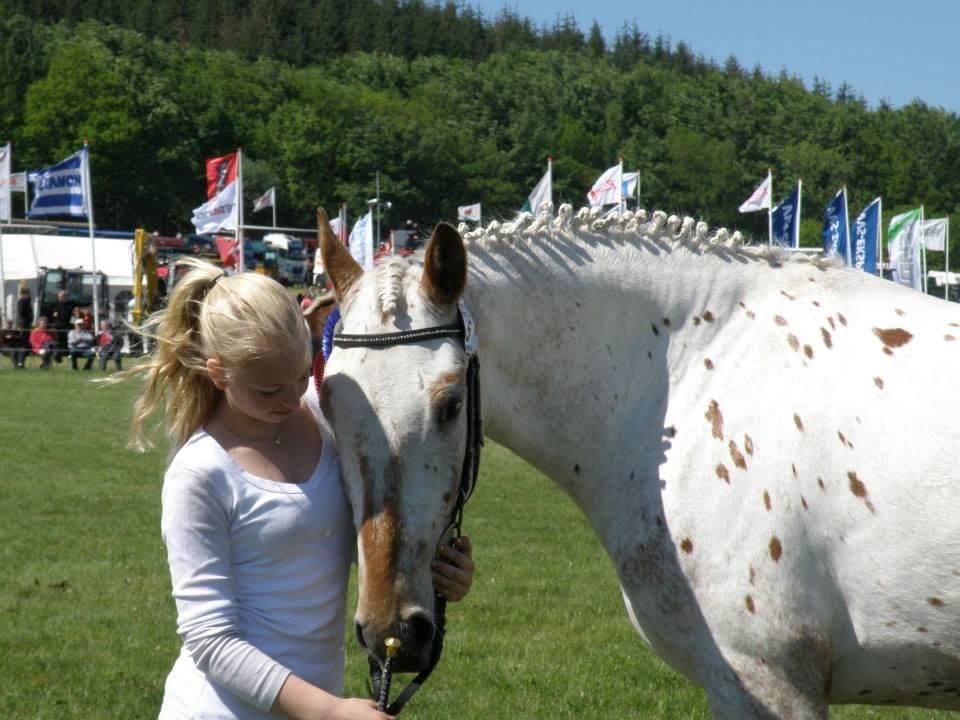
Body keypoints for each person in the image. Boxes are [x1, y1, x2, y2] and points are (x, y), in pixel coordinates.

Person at [122, 258, 475, 720]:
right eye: (269, 390)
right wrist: (328, 711)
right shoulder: (200, 473)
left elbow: (342, 542)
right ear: (219, 373)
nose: (291, 398)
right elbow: (211, 640)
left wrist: (437, 571)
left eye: (300, 375)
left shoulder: (326, 422)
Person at [51, 289, 74, 363]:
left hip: (67, 325)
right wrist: (53, 313)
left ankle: (64, 353)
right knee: (58, 341)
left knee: (66, 341)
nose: (61, 297)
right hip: (57, 326)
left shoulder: (70, 304)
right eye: (60, 296)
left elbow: (81, 304)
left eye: (63, 296)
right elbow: (47, 308)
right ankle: (58, 355)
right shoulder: (55, 304)